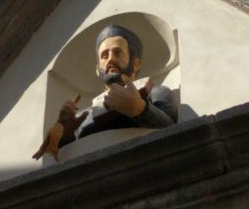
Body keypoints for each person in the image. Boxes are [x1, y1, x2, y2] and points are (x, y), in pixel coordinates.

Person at [33, 25, 177, 160]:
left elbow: (174, 133)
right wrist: (65, 134)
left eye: (117, 52)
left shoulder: (157, 93)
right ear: (98, 70)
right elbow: (69, 157)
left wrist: (140, 109)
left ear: (136, 64)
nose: (110, 59)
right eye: (104, 55)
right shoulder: (83, 116)